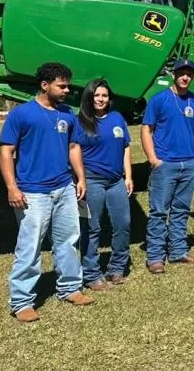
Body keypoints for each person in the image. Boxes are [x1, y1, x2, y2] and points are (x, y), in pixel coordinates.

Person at [0, 62, 93, 323]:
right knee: (30, 247)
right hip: (33, 193)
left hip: (64, 188)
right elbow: (6, 151)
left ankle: (70, 288)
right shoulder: (22, 114)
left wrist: (80, 178)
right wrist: (12, 187)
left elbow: (74, 147)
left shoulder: (67, 114)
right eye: (61, 86)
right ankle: (21, 302)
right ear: (44, 85)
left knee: (68, 241)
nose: (66, 91)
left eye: (67, 86)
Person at [141, 58, 194, 273]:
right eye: (181, 73)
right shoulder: (159, 100)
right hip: (165, 164)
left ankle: (178, 251)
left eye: (189, 73)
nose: (185, 77)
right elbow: (146, 129)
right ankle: (156, 256)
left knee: (181, 210)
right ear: (174, 74)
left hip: (188, 163)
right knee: (159, 211)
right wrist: (153, 159)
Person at [71, 79, 133, 289]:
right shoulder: (80, 121)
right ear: (89, 96)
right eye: (96, 95)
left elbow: (125, 147)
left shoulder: (117, 118)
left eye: (104, 96)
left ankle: (116, 268)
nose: (100, 99)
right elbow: (74, 150)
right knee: (92, 227)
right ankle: (91, 274)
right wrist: (80, 179)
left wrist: (129, 176)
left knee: (122, 224)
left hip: (116, 181)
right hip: (92, 180)